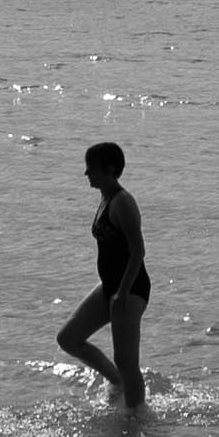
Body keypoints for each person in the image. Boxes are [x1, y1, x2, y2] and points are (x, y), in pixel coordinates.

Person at [54, 139, 149, 407]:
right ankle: (117, 382)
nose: (86, 173)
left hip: (130, 288)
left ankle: (136, 416)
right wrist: (113, 289)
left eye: (91, 168)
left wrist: (122, 292)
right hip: (110, 285)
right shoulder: (105, 198)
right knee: (68, 339)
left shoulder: (122, 202)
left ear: (109, 170)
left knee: (127, 361)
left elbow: (138, 251)